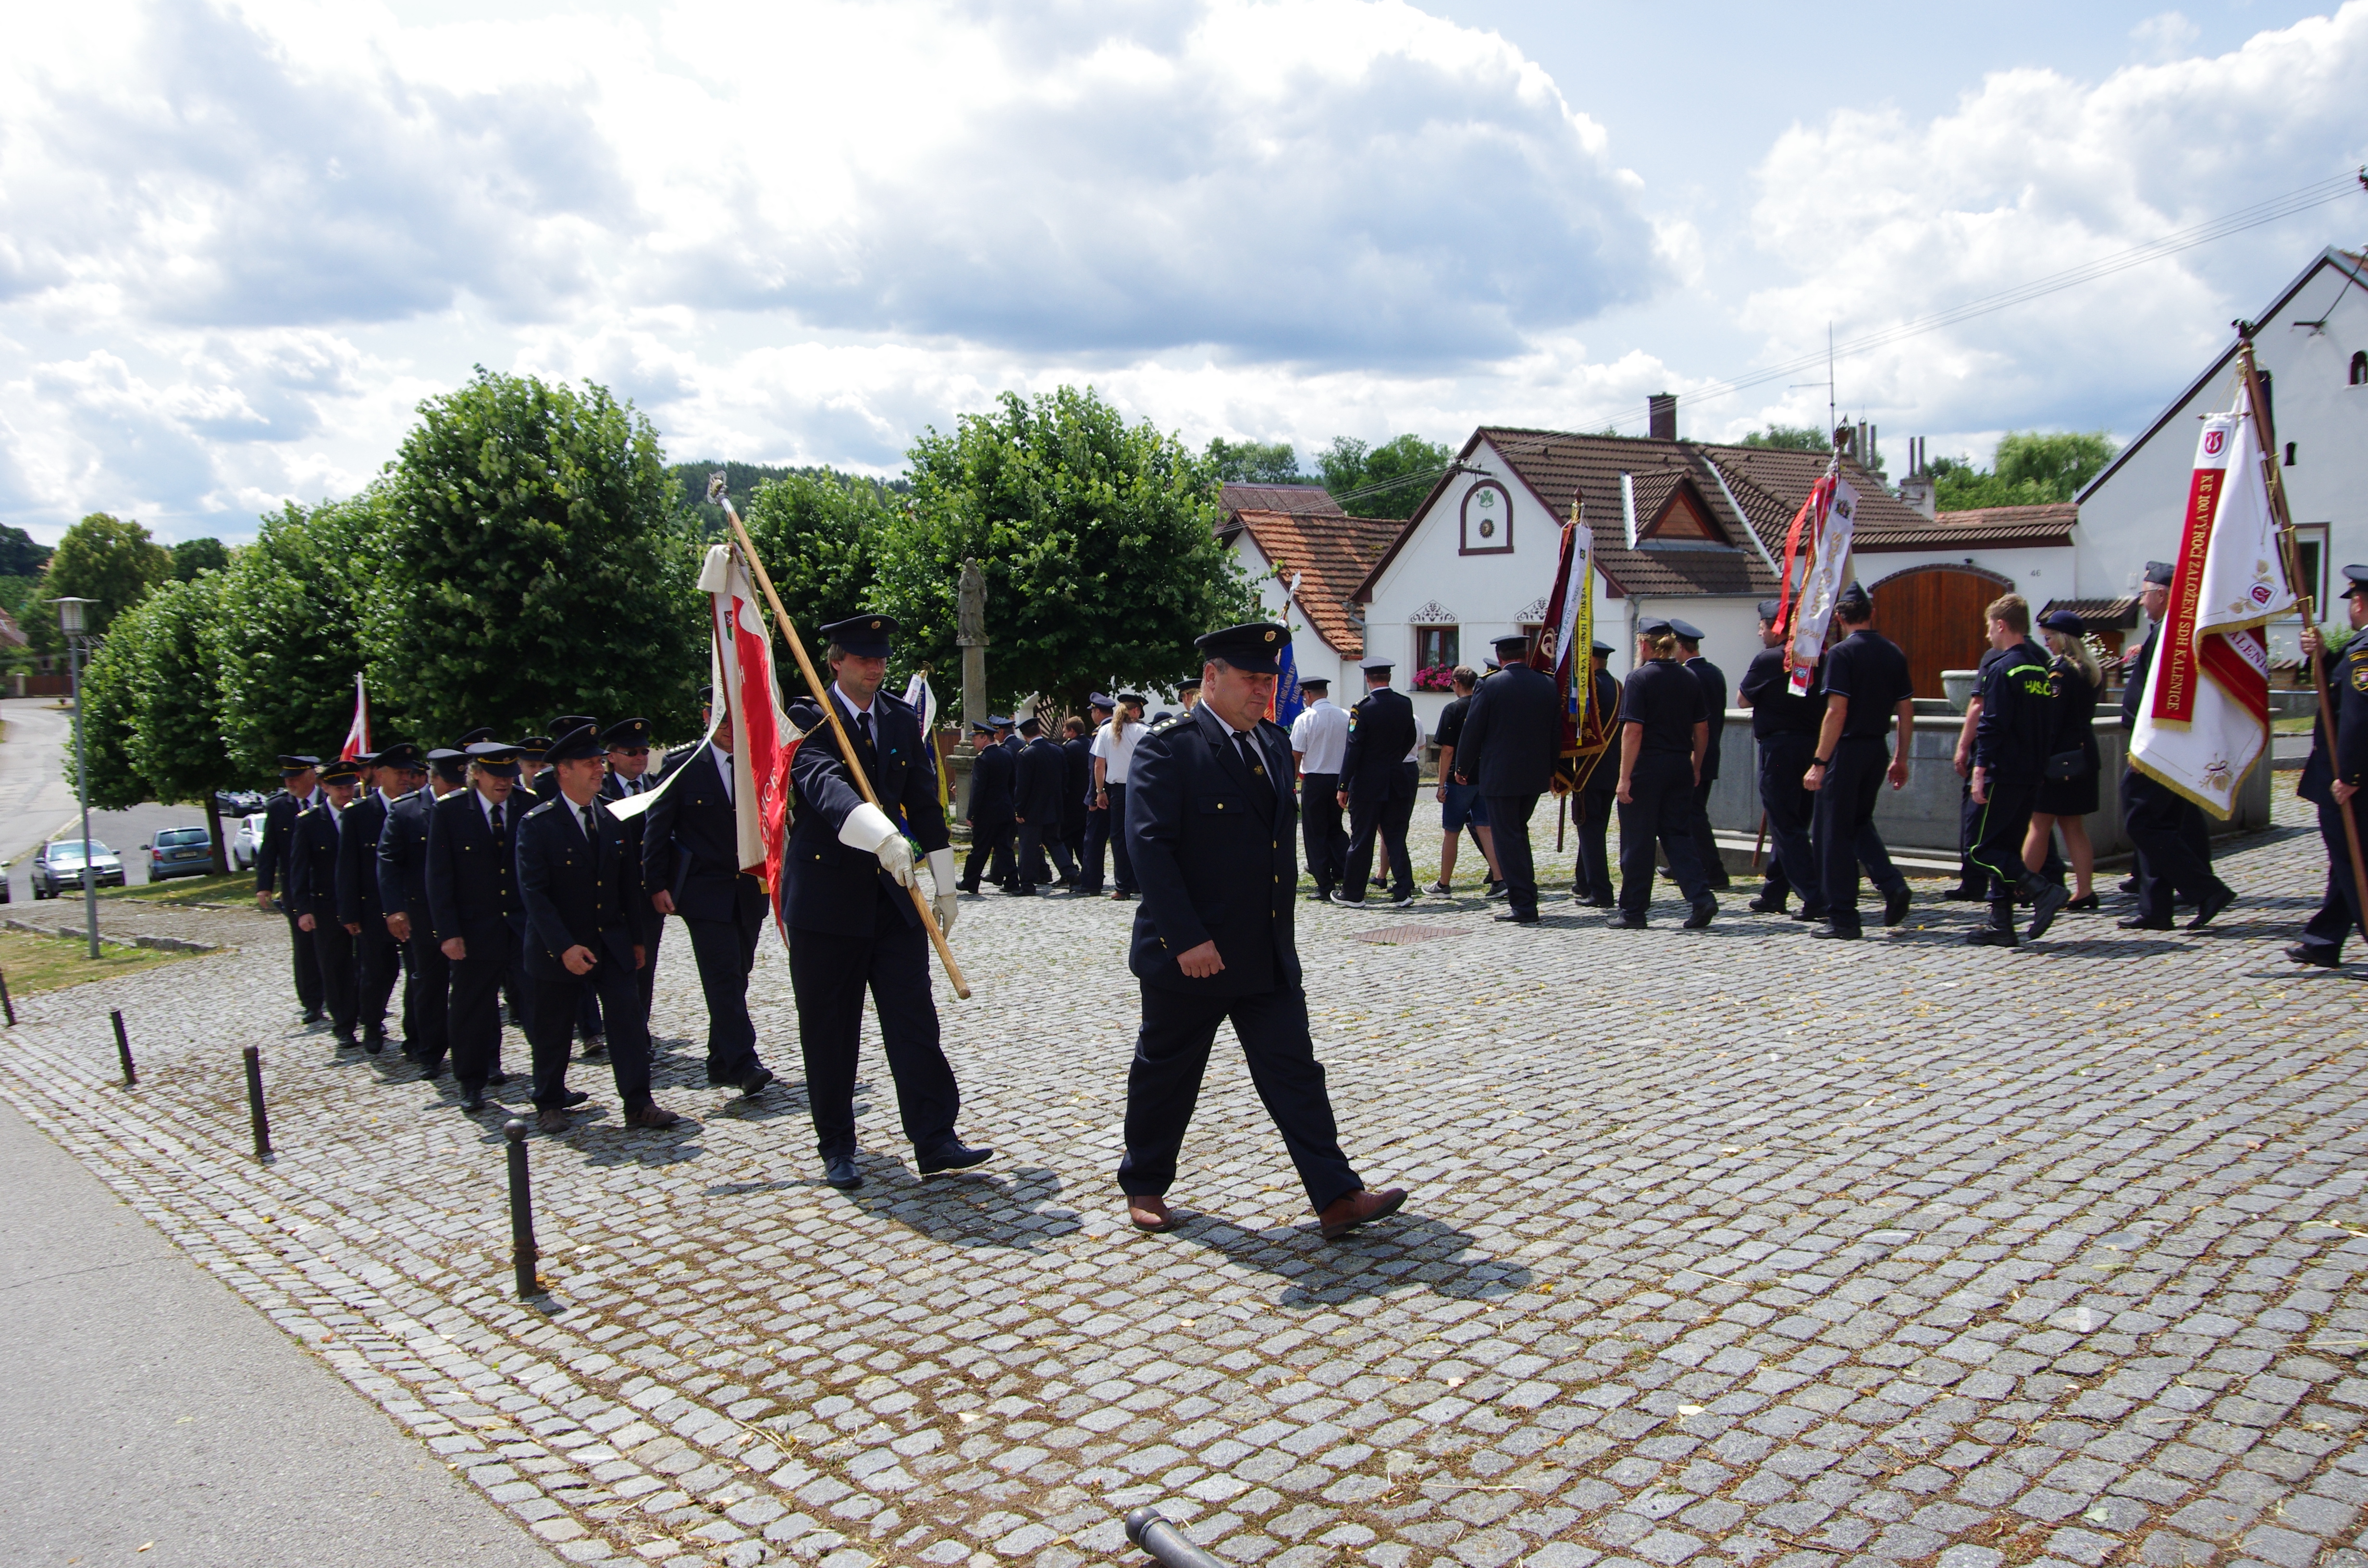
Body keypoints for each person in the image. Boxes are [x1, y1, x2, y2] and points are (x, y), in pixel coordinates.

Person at [1118, 621, 1406, 1240]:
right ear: (1211, 678)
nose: (1263, 692)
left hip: (1264, 951)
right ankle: (1144, 1183)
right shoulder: (1169, 749)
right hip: (1192, 955)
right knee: (1166, 1073)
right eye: (1251, 680)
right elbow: (1149, 849)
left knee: (1294, 1070)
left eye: (1270, 681)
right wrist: (1186, 937)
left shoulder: (1273, 743)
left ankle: (1335, 1196)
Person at [783, 614, 987, 1190]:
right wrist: (879, 835)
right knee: (830, 1029)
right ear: (835, 662)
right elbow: (821, 782)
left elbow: (924, 802)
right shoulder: (807, 717)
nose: (875, 667)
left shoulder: (900, 717)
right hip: (825, 903)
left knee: (913, 1020)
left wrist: (945, 882)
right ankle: (837, 1144)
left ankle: (934, 1137)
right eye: (862, 658)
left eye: (881, 658)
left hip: (892, 899)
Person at [511, 724, 677, 1134]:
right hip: (561, 949)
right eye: (589, 764)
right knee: (553, 1027)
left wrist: (637, 940)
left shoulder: (610, 817)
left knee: (627, 1021)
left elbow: (627, 888)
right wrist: (564, 947)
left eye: (600, 763)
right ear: (563, 771)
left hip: (612, 941)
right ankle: (549, 1101)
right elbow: (535, 895)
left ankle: (639, 1102)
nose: (598, 770)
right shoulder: (538, 824)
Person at [643, 691, 775, 1098]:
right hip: (703, 891)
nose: (731, 729)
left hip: (749, 890)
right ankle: (743, 1062)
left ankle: (719, 1058)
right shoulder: (681, 765)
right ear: (706, 716)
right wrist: (655, 883)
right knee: (721, 976)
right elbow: (657, 828)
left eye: (738, 718)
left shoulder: (756, 761)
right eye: (722, 719)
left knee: (739, 973)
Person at [2119, 561, 2236, 931]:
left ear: (2163, 595)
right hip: (2162, 742)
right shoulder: (2170, 632)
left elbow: (2166, 698)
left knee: (2142, 822)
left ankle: (2206, 889)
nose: (2141, 602)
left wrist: (2147, 748)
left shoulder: (2173, 634)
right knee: (2162, 824)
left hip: (2158, 745)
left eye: (2145, 594)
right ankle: (2156, 909)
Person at [1802, 584, 1915, 940]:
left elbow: (1837, 711)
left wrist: (1820, 761)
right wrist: (1901, 757)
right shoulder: (1893, 653)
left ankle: (1844, 918)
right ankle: (1891, 883)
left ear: (1840, 618)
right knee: (1860, 823)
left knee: (1833, 833)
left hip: (1847, 750)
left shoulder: (1841, 654)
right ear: (1872, 613)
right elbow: (1907, 710)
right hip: (1877, 748)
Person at [1964, 595, 2071, 947]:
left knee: (1982, 848)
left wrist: (1979, 769)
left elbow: (1992, 725)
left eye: (1988, 627)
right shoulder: (2040, 669)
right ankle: (2001, 924)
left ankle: (2042, 889)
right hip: (2031, 772)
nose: (1986, 636)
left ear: (2001, 625)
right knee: (2007, 845)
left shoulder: (2001, 668)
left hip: (2003, 770)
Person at [427, 742, 528, 1111]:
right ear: (476, 775)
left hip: (522, 927)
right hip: (474, 931)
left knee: (541, 1005)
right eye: (496, 776)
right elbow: (439, 878)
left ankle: (551, 1084)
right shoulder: (451, 812)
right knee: (471, 1010)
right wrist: (448, 932)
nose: (504, 783)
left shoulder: (528, 806)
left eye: (510, 775)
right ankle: (471, 1082)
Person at [1610, 620, 1715, 929]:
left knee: (1638, 840)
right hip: (1680, 763)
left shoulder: (1639, 678)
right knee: (1678, 836)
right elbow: (1703, 728)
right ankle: (1701, 897)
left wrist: (1624, 777)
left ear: (1644, 645)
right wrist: (1696, 766)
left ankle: (1633, 911)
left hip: (1647, 765)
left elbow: (1633, 731)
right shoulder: (1689, 677)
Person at [2288, 566, 2368, 968]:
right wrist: (2321, 655)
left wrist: (2350, 777)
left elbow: (2357, 717)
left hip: (2352, 779)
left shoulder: (2363, 652)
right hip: (2350, 775)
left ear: (2359, 602)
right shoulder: (2354, 652)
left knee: (2355, 862)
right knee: (2346, 860)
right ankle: (2324, 939)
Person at [1455, 634, 1562, 924]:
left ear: (1500, 658)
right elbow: (1555, 733)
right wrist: (1552, 771)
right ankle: (1527, 894)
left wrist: (1462, 767)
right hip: (1535, 775)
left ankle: (1524, 905)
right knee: (1518, 833)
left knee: (1508, 837)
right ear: (1526, 655)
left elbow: (1473, 730)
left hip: (1501, 776)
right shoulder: (1547, 683)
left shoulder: (1489, 685)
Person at [380, 746, 464, 1078]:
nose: (457, 789)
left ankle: (479, 1056)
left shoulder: (469, 807)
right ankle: (429, 1051)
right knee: (429, 984)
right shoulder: (407, 811)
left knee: (471, 987)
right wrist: (395, 910)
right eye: (451, 783)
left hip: (463, 910)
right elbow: (389, 863)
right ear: (434, 779)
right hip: (423, 913)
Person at [1738, 601, 1824, 920]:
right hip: (1810, 746)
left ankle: (1814, 895)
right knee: (1793, 822)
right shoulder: (1816, 659)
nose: (1760, 633)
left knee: (1786, 825)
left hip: (1779, 749)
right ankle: (1774, 891)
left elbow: (1743, 698)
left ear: (1776, 627)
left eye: (1762, 626)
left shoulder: (1770, 660)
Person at [340, 744, 421, 1054]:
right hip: (374, 908)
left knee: (418, 975)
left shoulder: (419, 808)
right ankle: (372, 1025)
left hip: (414, 908)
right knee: (376, 974)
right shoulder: (359, 813)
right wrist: (349, 912)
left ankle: (416, 1036)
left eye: (409, 773)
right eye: (399, 773)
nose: (406, 778)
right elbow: (347, 867)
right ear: (380, 774)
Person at [2028, 610, 2103, 911]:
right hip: (2083, 756)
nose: (2046, 643)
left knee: (2038, 824)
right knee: (2074, 826)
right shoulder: (2091, 669)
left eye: (2048, 637)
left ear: (2062, 638)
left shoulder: (2060, 670)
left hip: (2059, 760)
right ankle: (2085, 890)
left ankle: (2024, 887)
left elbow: (2053, 719)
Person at [288, 758, 364, 1047]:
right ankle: (344, 1025)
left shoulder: (363, 814)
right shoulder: (310, 822)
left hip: (361, 902)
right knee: (335, 967)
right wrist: (303, 910)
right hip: (326, 905)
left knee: (369, 964)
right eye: (339, 787)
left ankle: (370, 1016)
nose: (346, 793)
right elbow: (299, 870)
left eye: (350, 786)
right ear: (324, 787)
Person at [1333, 658, 1417, 907]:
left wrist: (1343, 785)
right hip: (1396, 778)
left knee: (1362, 838)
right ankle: (1403, 889)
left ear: (1368, 679)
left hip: (1368, 782)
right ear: (1388, 678)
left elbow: (1353, 748)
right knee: (1395, 837)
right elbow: (1410, 737)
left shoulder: (1363, 708)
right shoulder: (1405, 703)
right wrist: (1393, 760)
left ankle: (1353, 893)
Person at [598, 717, 666, 1028]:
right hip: (609, 895)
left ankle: (639, 1030)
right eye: (632, 752)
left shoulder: (657, 785)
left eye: (644, 751)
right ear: (611, 756)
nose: (640, 757)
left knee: (644, 967)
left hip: (644, 895)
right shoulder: (601, 790)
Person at [254, 755, 326, 1022]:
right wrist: (264, 886)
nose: (290, 783)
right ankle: (312, 1002)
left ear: (311, 775)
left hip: (329, 885)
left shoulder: (330, 799)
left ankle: (345, 996)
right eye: (286, 779)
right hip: (296, 889)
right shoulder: (279, 807)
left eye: (295, 777)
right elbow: (269, 849)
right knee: (305, 946)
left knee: (340, 945)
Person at [1671, 619, 1732, 892]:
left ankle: (1713, 871)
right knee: (1685, 813)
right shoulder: (1715, 672)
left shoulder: (1689, 676)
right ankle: (1683, 863)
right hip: (1711, 751)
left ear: (1681, 647)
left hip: (1695, 753)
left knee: (1693, 813)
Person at [1429, 667, 1501, 896]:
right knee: (1486, 829)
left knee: (1452, 832)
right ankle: (1500, 879)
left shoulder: (1454, 709)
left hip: (1458, 778)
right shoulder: (1486, 706)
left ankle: (1444, 883)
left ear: (1457, 683)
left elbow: (1448, 750)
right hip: (1484, 775)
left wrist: (1441, 785)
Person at [1289, 676, 1350, 901]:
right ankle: (1347, 870)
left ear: (1307, 695)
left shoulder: (1306, 719)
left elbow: (1296, 755)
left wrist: (1291, 783)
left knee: (1315, 834)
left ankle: (1324, 885)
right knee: (1335, 828)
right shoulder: (1345, 716)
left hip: (1314, 780)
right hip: (1339, 779)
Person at [1572, 640, 1622, 908]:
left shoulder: (1586, 690)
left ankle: (1601, 891)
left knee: (1589, 829)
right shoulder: (1619, 686)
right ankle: (1584, 880)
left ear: (1589, 661)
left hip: (1588, 769)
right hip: (1613, 768)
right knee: (1594, 828)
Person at [1092, 695, 1149, 901]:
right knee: (1141, 836)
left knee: (1118, 839)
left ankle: (1123, 887)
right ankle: (1140, 882)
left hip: (1117, 790)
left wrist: (1100, 791)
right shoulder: (1144, 732)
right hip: (1141, 789)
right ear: (1135, 711)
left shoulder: (1105, 731)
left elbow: (1099, 765)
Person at [1012, 716, 1078, 892]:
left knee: (1028, 846)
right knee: (1055, 843)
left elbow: (1022, 787)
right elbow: (1065, 779)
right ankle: (1071, 873)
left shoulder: (1026, 754)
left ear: (1025, 735)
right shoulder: (1057, 751)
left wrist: (1019, 809)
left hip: (1032, 810)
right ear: (1040, 731)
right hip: (1054, 807)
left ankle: (1027, 883)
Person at [959, 719, 1017, 893]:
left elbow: (978, 790)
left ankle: (970, 882)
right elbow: (1012, 783)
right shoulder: (1006, 754)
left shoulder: (983, 759)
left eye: (975, 738)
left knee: (980, 849)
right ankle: (1013, 882)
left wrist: (971, 814)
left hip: (987, 813)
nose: (973, 742)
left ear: (985, 738)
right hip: (1005, 810)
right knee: (1004, 849)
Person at [1076, 695, 1118, 893]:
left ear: (1098, 712)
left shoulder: (1100, 731)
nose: (1092, 714)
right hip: (1121, 791)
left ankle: (1091, 882)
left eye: (1092, 711)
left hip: (1103, 792)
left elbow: (1096, 766)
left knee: (1094, 840)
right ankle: (1127, 881)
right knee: (1121, 839)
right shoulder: (1125, 728)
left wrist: (1094, 795)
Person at [1059, 715, 1092, 874]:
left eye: (1065, 732)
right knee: (1082, 838)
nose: (1063, 735)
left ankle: (1070, 872)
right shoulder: (1092, 744)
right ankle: (1088, 869)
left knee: (1065, 836)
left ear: (1072, 731)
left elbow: (1065, 776)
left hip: (1071, 800)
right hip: (1088, 798)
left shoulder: (1069, 748)